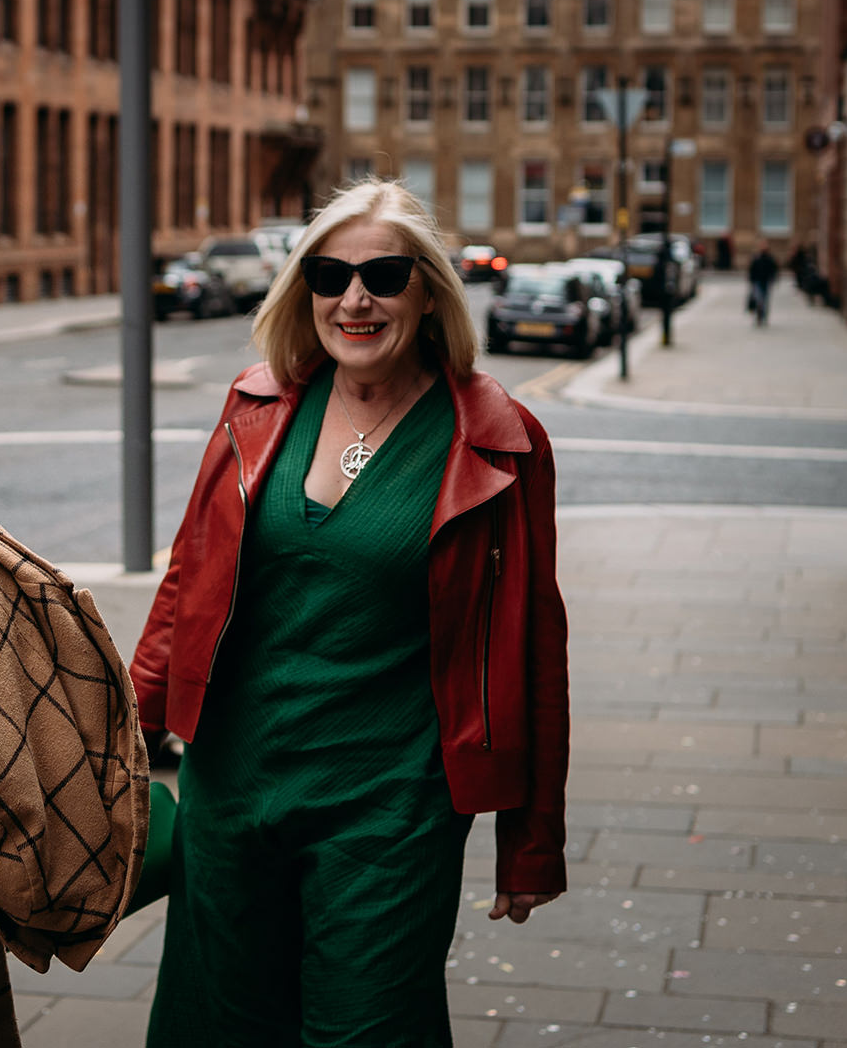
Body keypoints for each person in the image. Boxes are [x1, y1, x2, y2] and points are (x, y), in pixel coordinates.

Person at [130, 179, 569, 1047]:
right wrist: (128, 727)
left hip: (391, 805)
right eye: (329, 276)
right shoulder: (257, 404)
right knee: (220, 1024)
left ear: (431, 291)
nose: (354, 298)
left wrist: (533, 839)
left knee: (368, 1029)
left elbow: (533, 647)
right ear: (304, 291)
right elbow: (189, 577)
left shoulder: (498, 436)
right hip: (233, 784)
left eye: (384, 275)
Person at [748, 240, 779, 327]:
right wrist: (751, 280)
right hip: (757, 281)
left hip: (765, 281)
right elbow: (752, 270)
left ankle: (763, 315)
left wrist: (773, 279)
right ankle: (759, 316)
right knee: (759, 299)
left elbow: (774, 270)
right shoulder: (756, 258)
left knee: (765, 300)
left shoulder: (770, 258)